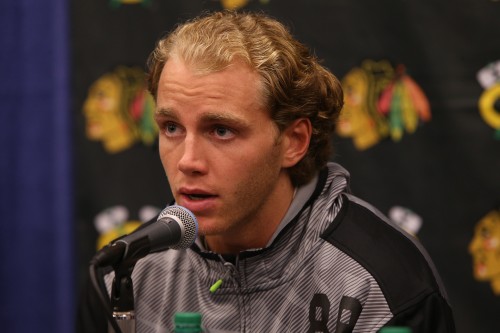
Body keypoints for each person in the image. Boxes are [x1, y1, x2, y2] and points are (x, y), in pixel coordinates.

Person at [78, 10, 455, 332]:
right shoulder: (124, 277)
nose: (187, 161)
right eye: (172, 128)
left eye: (221, 130)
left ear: (293, 141)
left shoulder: (381, 285)